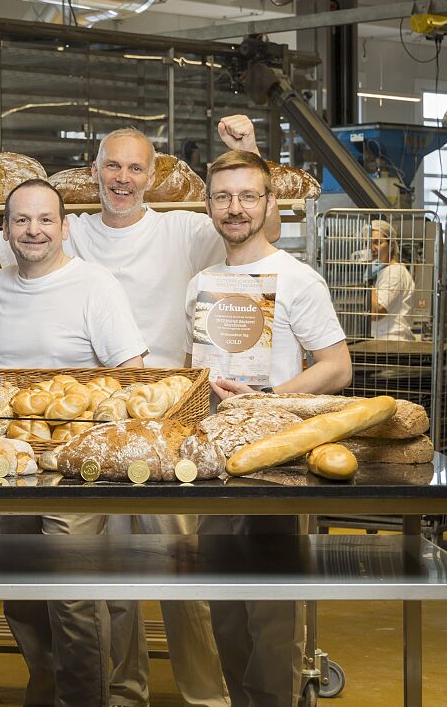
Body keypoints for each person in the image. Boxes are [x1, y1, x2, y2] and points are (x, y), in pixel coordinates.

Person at [0, 118, 283, 707]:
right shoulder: (69, 234)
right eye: (111, 167)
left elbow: (255, 231)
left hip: (167, 418)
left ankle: (206, 695)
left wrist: (246, 159)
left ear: (153, 175)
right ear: (93, 175)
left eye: (134, 168)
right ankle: (122, 692)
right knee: (112, 582)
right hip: (89, 429)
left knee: (179, 568)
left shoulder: (182, 229)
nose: (122, 178)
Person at [188, 150, 351, 707]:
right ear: (209, 204)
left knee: (274, 613)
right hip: (216, 463)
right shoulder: (201, 283)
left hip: (278, 463)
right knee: (226, 609)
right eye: (224, 197)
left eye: (248, 196)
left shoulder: (297, 278)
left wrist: (267, 401)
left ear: (269, 203)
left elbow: (337, 366)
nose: (236, 209)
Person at [0, 178, 146, 707]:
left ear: (65, 227)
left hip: (76, 467)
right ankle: (45, 691)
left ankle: (84, 700)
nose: (34, 230)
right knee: (22, 596)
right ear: (5, 230)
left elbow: (132, 373)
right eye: (22, 220)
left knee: (74, 598)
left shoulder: (95, 285)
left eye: (46, 219)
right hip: (15, 463)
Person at [367, 219, 416, 341]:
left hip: (392, 341)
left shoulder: (395, 272)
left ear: (392, 245)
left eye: (378, 242)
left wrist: (369, 281)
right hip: (381, 339)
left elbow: (376, 312)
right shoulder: (382, 271)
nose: (372, 248)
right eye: (368, 243)